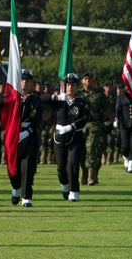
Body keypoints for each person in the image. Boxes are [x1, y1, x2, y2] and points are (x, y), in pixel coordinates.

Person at [44, 72, 91, 201]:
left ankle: (74, 191)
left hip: (75, 136)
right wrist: (56, 98)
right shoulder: (60, 100)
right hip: (59, 137)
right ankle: (64, 186)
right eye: (68, 85)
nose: (70, 87)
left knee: (73, 163)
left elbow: (85, 118)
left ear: (77, 87)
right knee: (61, 168)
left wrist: (72, 126)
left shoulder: (81, 102)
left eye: (73, 85)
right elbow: (42, 98)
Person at [9, 69, 43, 207]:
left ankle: (26, 197)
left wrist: (27, 131)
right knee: (13, 168)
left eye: (27, 81)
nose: (24, 83)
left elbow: (37, 120)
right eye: (22, 80)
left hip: (30, 135)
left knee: (28, 166)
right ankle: (16, 188)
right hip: (14, 135)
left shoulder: (35, 99)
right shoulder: (12, 97)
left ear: (31, 83)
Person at [80, 72, 111, 186]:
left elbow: (107, 109)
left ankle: (91, 177)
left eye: (90, 79)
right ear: (82, 81)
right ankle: (84, 175)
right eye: (85, 79)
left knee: (92, 151)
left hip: (94, 126)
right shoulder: (78, 94)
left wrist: (103, 118)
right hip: (80, 126)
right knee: (82, 153)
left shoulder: (99, 94)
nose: (88, 81)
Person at [115, 83, 132, 172]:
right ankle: (126, 157)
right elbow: (118, 110)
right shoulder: (121, 98)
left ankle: (131, 164)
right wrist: (117, 120)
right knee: (125, 145)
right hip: (124, 124)